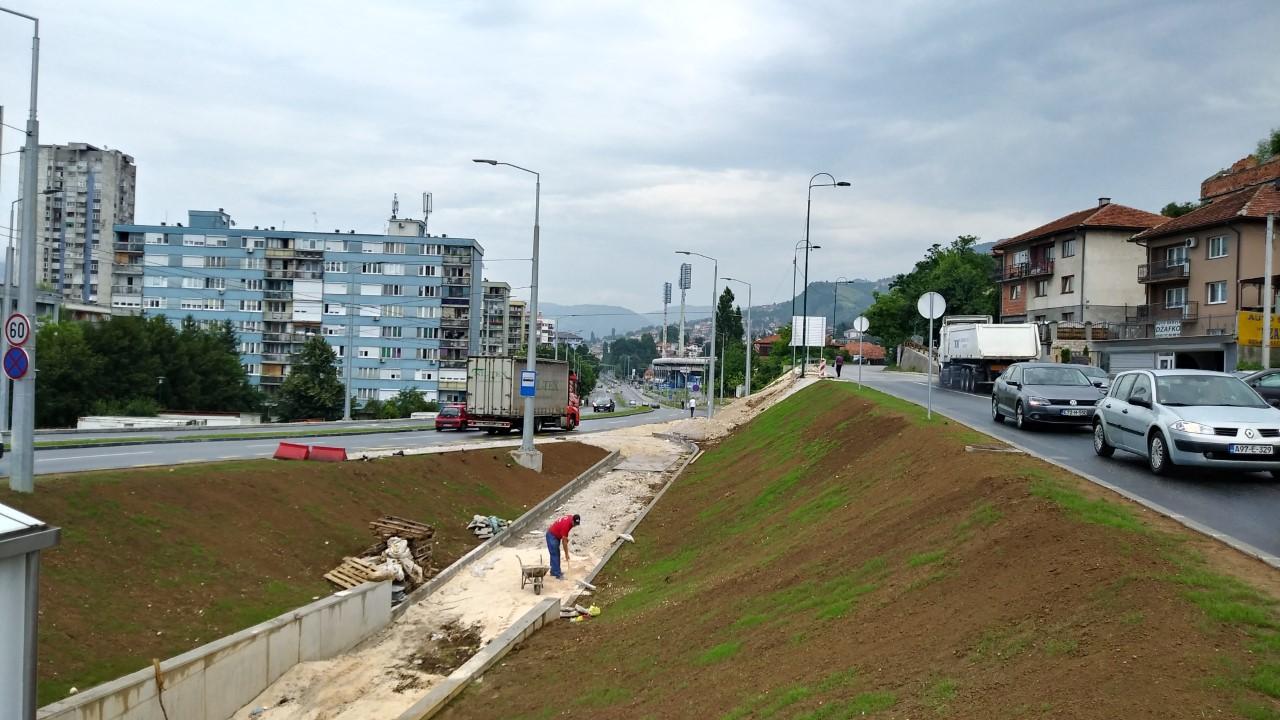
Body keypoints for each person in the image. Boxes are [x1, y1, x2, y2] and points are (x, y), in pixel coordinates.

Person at [546, 513, 580, 580]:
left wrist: (564, 537)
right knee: (555, 554)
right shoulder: (566, 526)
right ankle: (557, 574)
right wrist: (566, 554)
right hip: (552, 536)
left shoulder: (571, 517)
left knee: (556, 553)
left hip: (555, 534)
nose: (575, 526)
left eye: (576, 524)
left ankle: (554, 571)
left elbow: (564, 536)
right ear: (572, 521)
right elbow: (564, 543)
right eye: (574, 524)